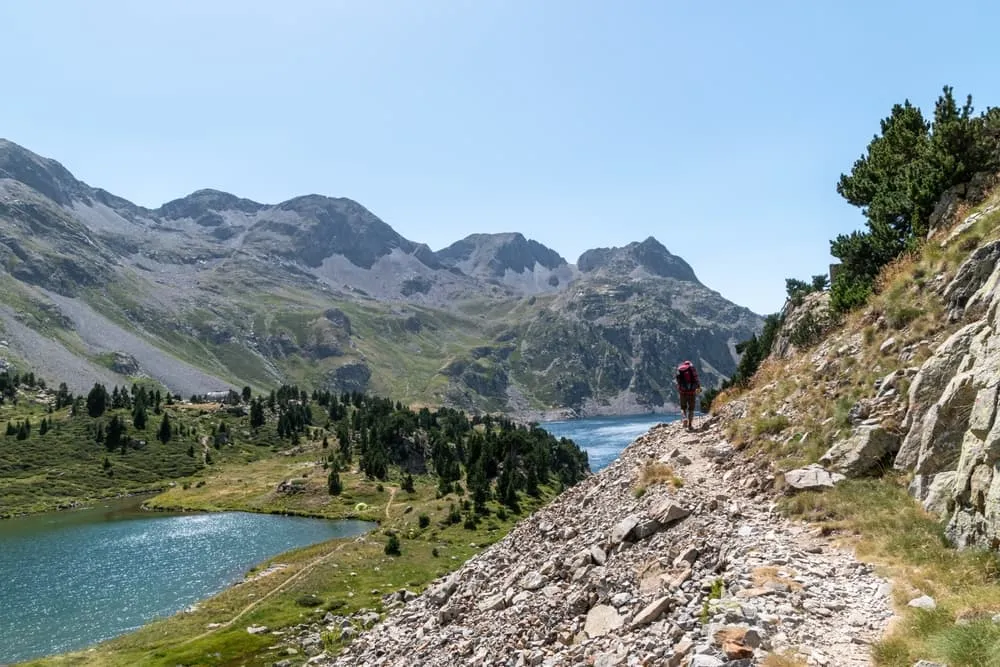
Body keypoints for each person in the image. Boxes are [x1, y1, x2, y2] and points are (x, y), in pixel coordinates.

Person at [676, 360, 700, 430]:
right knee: (691, 409)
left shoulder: (680, 369)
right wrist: (698, 387)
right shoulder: (692, 369)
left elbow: (678, 381)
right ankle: (690, 425)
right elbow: (696, 379)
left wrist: (680, 389)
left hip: (682, 392)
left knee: (683, 408)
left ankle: (684, 418)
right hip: (691, 392)